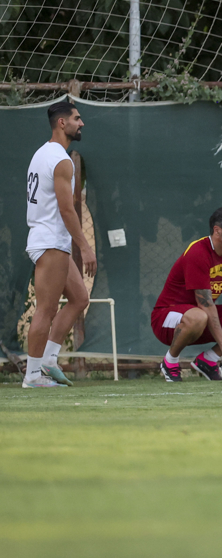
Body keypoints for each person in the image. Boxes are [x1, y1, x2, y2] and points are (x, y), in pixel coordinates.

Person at [23, 98, 97, 388]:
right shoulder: (61, 159)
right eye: (77, 118)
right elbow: (67, 209)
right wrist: (86, 247)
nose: (82, 123)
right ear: (62, 123)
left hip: (52, 240)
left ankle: (50, 360)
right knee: (46, 309)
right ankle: (32, 376)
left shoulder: (42, 153)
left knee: (79, 298)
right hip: (50, 240)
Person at [151, 207, 222, 381]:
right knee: (199, 316)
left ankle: (208, 360)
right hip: (166, 319)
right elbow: (205, 304)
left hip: (200, 317)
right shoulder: (198, 252)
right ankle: (170, 361)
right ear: (217, 231)